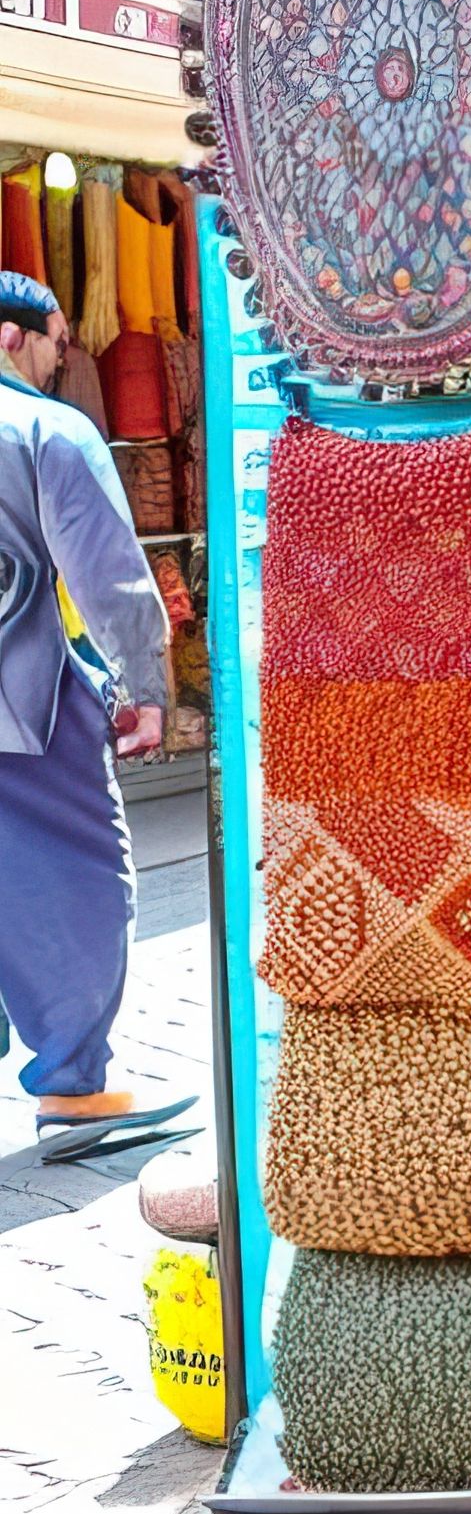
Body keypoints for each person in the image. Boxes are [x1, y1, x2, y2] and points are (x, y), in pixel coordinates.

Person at [0, 270, 181, 1158]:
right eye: (56, 345)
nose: (59, 361)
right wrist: (145, 686)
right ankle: (76, 1088)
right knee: (76, 881)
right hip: (23, 706)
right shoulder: (44, 429)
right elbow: (105, 574)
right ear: (10, 337)